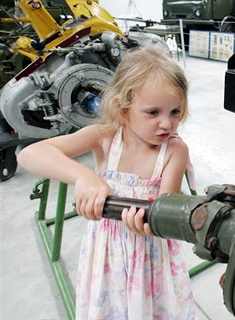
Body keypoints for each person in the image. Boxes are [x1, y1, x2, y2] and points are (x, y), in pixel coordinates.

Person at [17, 45, 197, 319]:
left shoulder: (174, 151)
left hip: (148, 258)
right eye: (153, 112)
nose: (167, 124)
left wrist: (151, 224)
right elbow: (31, 154)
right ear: (123, 108)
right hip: (106, 255)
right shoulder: (104, 137)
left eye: (175, 112)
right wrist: (84, 176)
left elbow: (166, 213)